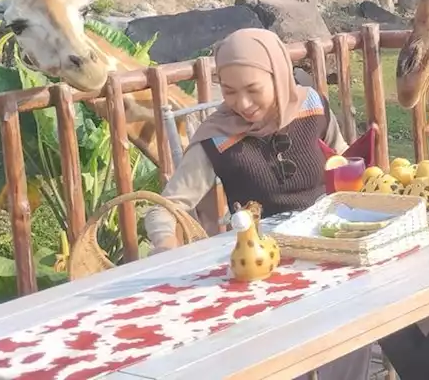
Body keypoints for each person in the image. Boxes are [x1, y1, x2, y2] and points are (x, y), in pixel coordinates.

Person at [144, 28, 369, 380]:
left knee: (355, 326)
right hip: (263, 273)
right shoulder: (216, 138)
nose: (242, 104)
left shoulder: (313, 107)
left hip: (329, 252)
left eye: (253, 90)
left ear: (278, 76)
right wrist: (164, 244)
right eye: (229, 91)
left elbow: (345, 166)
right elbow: (164, 208)